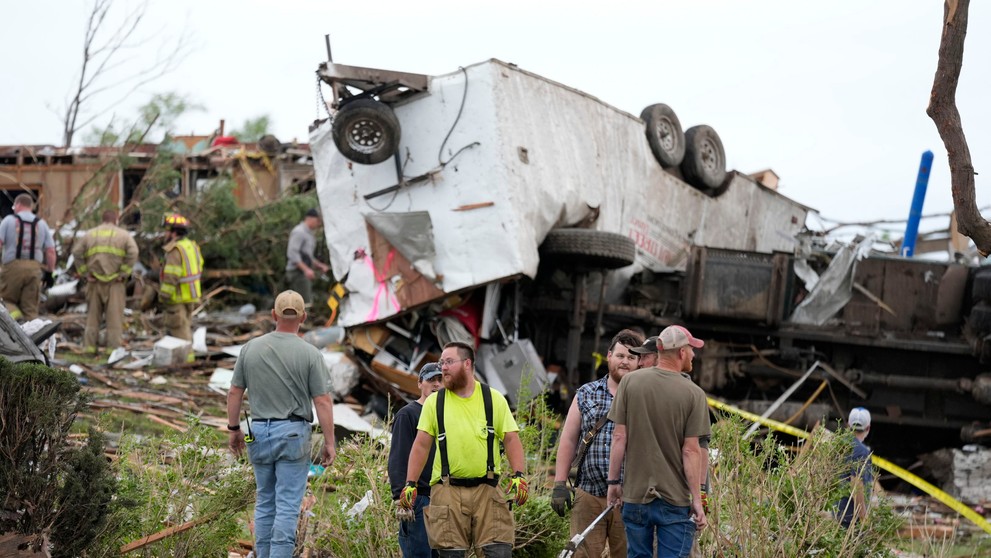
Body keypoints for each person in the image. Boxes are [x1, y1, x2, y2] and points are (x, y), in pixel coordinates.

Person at [227, 290, 336, 558]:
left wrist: (234, 429)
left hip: (257, 432)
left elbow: (234, 393)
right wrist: (330, 442)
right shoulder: (310, 354)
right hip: (292, 433)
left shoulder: (250, 348)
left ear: (273, 315)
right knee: (287, 504)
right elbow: (322, 400)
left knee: (265, 499)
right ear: (304, 317)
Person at [400, 341, 529, 558]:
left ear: (467, 363)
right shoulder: (435, 403)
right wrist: (410, 484)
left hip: (488, 491)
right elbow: (421, 445)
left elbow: (511, 438)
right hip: (447, 490)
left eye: (449, 362)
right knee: (450, 555)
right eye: (442, 362)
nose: (443, 368)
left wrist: (519, 476)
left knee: (498, 553)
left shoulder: (493, 398)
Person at [607, 325, 710, 558]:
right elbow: (692, 451)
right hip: (674, 500)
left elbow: (619, 437)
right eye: (691, 349)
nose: (694, 355)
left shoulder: (629, 383)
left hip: (635, 497)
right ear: (682, 352)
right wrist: (698, 498)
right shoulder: (693, 394)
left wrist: (614, 482)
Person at [550, 329, 644, 558]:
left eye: (631, 357)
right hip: (589, 496)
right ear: (609, 356)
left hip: (630, 499)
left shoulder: (644, 396)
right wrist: (560, 483)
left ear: (640, 362)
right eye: (621, 356)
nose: (625, 362)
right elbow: (569, 439)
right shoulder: (586, 393)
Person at [388, 363, 443, 558]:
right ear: (420, 383)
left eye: (440, 380)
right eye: (431, 380)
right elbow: (398, 458)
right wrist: (400, 498)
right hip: (417, 498)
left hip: (442, 498)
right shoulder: (408, 414)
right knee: (418, 554)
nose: (436, 384)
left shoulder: (446, 415)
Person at [72, 209, 139, 354]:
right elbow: (134, 252)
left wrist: (84, 273)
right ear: (116, 220)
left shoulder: (90, 234)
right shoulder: (124, 235)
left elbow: (76, 252)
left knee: (92, 317)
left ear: (102, 219)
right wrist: (123, 272)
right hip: (115, 283)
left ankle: (89, 349)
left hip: (94, 282)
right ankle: (112, 350)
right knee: (114, 318)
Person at [0, 193, 57, 320]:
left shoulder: (8, 221)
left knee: (6, 301)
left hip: (12, 268)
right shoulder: (42, 224)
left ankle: (17, 319)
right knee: (30, 309)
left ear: (18, 204)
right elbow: (51, 251)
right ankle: (31, 335)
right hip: (34, 269)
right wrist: (49, 273)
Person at [158, 214, 203, 357]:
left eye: (167, 230)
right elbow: (199, 267)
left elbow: (172, 276)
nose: (165, 233)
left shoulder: (175, 250)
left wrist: (163, 296)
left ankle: (186, 362)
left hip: (176, 299)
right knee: (184, 329)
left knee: (180, 334)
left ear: (174, 232)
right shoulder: (192, 246)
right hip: (190, 297)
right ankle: (178, 361)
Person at [836, 407, 873, 528]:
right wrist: (864, 518)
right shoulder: (861, 452)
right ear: (868, 428)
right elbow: (856, 485)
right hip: (851, 519)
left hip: (837, 512)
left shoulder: (838, 445)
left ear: (848, 425)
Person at [285, 208, 330, 306]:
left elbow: (307, 255)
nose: (318, 224)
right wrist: (306, 270)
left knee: (305, 301)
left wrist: (319, 265)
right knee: (304, 303)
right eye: (318, 221)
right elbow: (292, 253)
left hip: (302, 272)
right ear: (310, 219)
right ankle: (302, 321)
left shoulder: (309, 234)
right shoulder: (299, 232)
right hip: (297, 273)